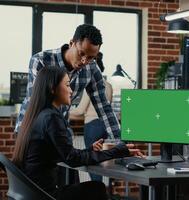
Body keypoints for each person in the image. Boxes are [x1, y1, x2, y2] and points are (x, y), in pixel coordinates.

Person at [12, 67, 142, 200]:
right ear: (52, 88)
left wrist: (90, 150)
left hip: (31, 193)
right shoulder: (51, 117)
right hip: (44, 195)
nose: (71, 90)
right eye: (67, 85)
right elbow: (73, 159)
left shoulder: (37, 115)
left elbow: (67, 154)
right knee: (97, 188)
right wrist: (117, 151)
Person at [15, 24, 119, 140]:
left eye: (90, 57)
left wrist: (121, 143)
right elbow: (42, 103)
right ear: (71, 43)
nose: (84, 61)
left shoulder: (91, 68)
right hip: (32, 127)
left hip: (59, 130)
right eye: (81, 53)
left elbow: (104, 108)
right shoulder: (41, 60)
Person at [70, 52, 112, 181]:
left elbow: (80, 110)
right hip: (104, 126)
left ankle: (97, 193)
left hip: (92, 126)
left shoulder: (90, 85)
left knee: (92, 165)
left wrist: (65, 111)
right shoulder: (108, 86)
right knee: (101, 163)